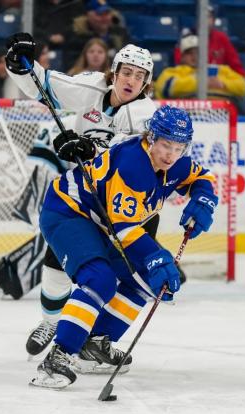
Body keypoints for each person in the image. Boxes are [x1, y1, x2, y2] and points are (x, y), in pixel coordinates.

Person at [30, 105, 218, 388]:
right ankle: (60, 354)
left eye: (179, 147)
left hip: (104, 222)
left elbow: (202, 177)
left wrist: (203, 200)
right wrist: (158, 256)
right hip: (68, 211)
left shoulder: (175, 163)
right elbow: (124, 229)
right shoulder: (133, 165)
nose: (171, 153)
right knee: (99, 278)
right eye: (166, 144)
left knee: (148, 281)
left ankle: (94, 345)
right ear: (151, 138)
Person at [3, 32, 162, 359]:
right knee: (57, 255)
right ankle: (50, 322)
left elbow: (132, 159)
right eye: (127, 72)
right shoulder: (92, 89)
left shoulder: (146, 114)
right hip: (86, 196)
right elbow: (45, 83)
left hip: (128, 208)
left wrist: (92, 149)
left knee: (126, 279)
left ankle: (96, 341)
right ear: (114, 72)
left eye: (140, 75)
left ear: (146, 83)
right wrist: (20, 64)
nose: (132, 80)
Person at [175, 5, 245, 90]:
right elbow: (180, 62)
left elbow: (235, 65)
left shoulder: (221, 38)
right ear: (196, 19)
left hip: (218, 85)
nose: (204, 20)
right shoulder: (187, 36)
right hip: (192, 81)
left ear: (213, 20)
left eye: (208, 17)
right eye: (202, 16)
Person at [155, 34, 245, 103]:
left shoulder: (221, 70)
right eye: (189, 53)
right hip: (186, 115)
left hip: (223, 114)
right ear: (182, 56)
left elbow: (243, 86)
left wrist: (223, 84)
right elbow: (166, 87)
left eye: (198, 52)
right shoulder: (173, 72)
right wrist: (202, 82)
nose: (194, 56)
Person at [62, 0, 129, 69]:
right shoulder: (76, 37)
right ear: (88, 15)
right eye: (99, 14)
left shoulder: (120, 33)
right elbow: (71, 65)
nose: (104, 18)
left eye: (107, 13)